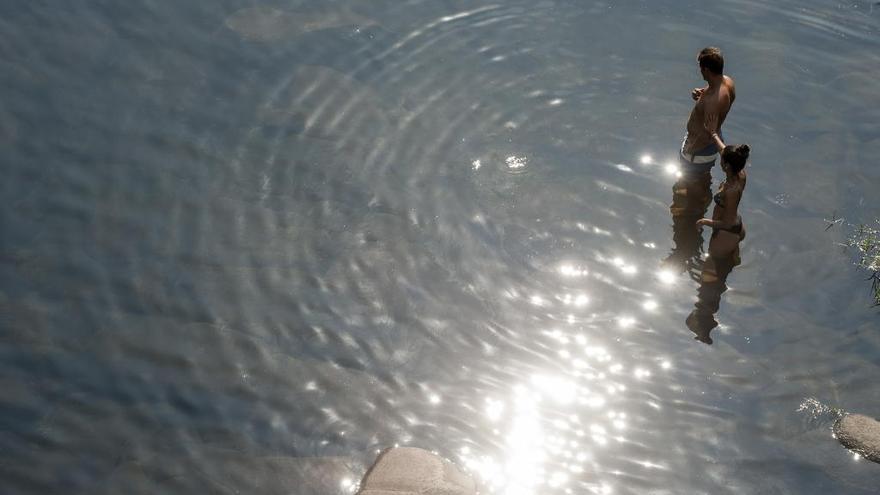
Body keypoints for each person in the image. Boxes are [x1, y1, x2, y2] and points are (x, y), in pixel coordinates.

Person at [687, 127, 750, 344]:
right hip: (735, 233)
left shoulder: (732, 190)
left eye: (723, 160)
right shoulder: (740, 173)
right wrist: (714, 135)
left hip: (726, 234)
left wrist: (704, 221)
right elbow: (727, 152)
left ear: (726, 166)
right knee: (723, 268)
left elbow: (728, 221)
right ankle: (733, 260)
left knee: (711, 283)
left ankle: (706, 319)